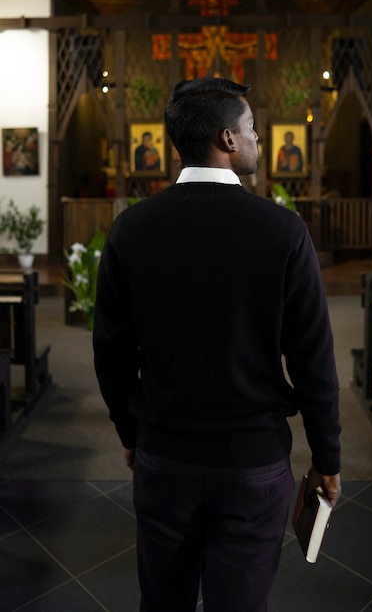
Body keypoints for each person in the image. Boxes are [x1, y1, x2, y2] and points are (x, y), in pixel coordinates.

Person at [93, 77, 341, 612]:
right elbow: (313, 360)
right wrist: (327, 457)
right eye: (252, 129)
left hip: (164, 454)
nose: (256, 138)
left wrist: (130, 429)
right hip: (252, 462)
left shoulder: (132, 229)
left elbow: (110, 350)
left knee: (163, 601)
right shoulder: (283, 231)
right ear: (228, 138)